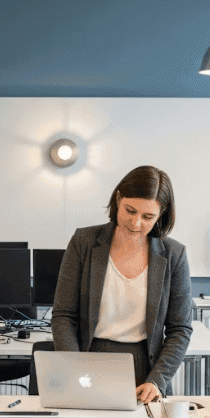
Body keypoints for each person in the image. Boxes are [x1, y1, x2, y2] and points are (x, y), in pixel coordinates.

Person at [51, 165, 193, 404]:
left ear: (161, 214)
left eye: (148, 217)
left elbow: (180, 329)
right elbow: (63, 315)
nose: (136, 223)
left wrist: (158, 380)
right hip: (88, 358)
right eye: (130, 210)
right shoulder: (83, 243)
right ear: (118, 199)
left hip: (144, 366)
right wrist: (73, 368)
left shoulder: (174, 255)